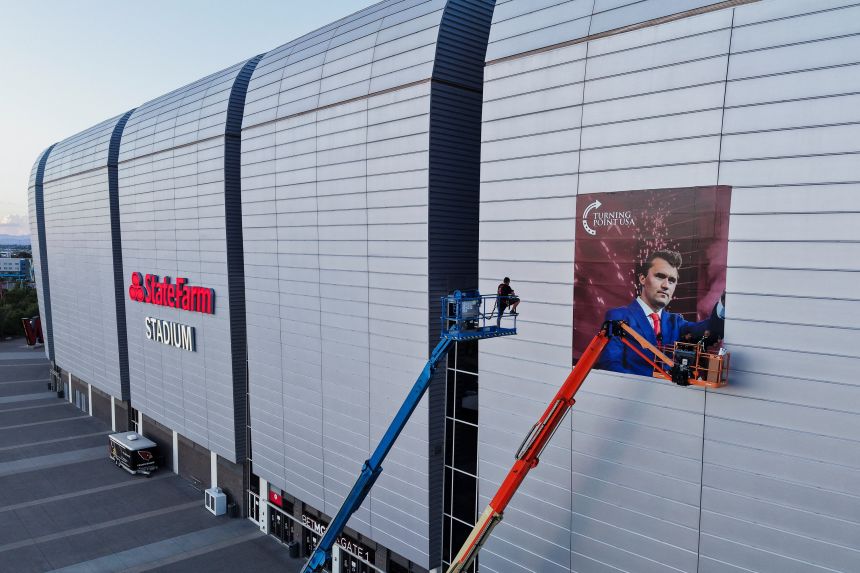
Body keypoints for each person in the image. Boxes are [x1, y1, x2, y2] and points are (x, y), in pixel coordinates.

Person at [595, 250, 724, 376]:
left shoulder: (677, 322)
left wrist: (723, 305)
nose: (666, 285)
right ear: (642, 279)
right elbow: (610, 365)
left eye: (672, 280)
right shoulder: (618, 317)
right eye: (660, 276)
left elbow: (710, 330)